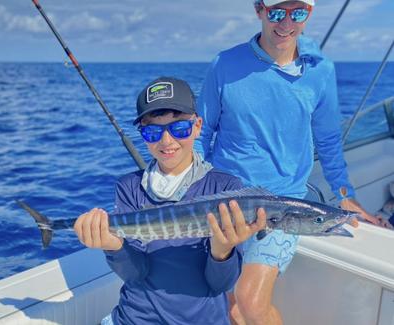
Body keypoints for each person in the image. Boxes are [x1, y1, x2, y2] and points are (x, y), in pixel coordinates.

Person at [196, 1, 389, 324]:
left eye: (297, 13)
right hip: (225, 203)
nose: (286, 23)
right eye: (276, 12)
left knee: (251, 302)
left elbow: (328, 141)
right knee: (230, 306)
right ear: (259, 10)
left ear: (309, 15)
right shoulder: (224, 64)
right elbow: (202, 134)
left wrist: (345, 195)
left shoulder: (320, 70)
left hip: (283, 206)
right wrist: (191, 190)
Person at [73, 77, 266, 325]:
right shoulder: (129, 187)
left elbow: (221, 284)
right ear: (143, 135)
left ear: (197, 127)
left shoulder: (226, 188)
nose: (166, 141)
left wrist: (222, 251)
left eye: (179, 129)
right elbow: (136, 273)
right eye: (153, 131)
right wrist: (113, 246)